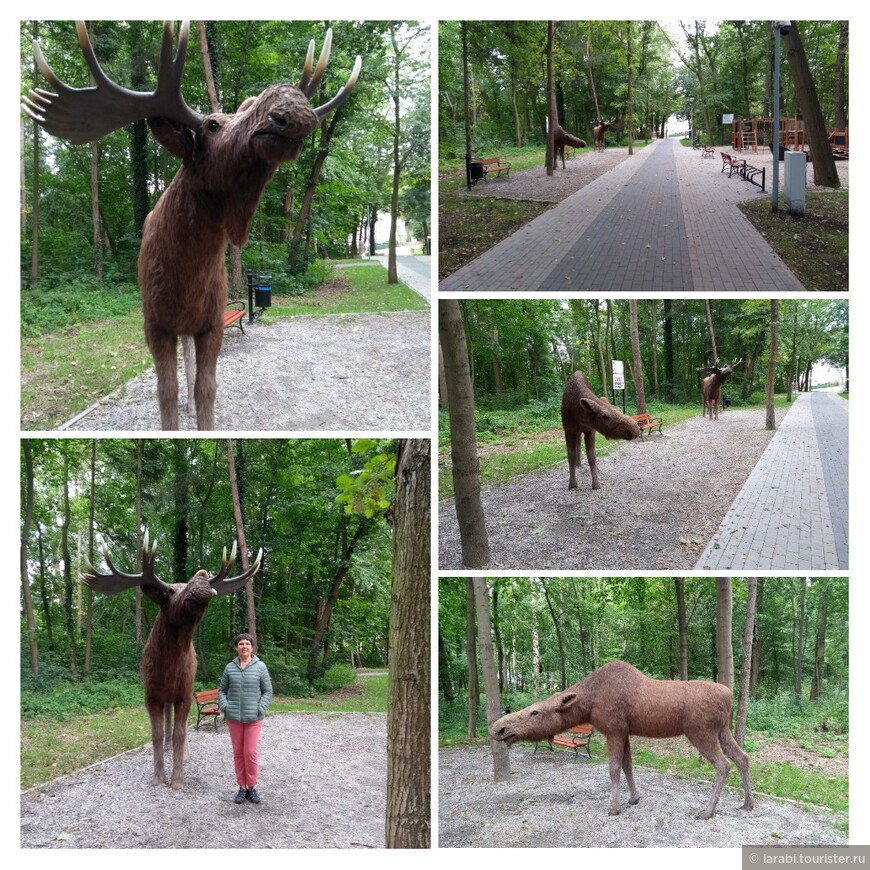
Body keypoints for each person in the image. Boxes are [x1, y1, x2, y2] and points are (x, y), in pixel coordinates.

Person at [218, 632, 273, 804]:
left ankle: (252, 786)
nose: (244, 647)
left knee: (250, 752)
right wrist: (225, 706)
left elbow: (267, 691)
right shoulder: (229, 668)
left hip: (253, 717)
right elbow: (222, 690)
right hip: (233, 718)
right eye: (241, 644)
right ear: (236, 648)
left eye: (247, 644)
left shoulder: (260, 667)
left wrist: (260, 708)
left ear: (252, 647)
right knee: (238, 753)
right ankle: (242, 787)